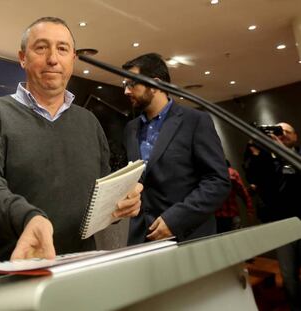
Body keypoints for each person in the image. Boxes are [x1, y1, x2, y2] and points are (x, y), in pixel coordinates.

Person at [0, 16, 142, 280]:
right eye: (41, 48)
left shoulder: (89, 122)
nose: (52, 59)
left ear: (73, 60)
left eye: (62, 48)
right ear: (23, 58)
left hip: (76, 273)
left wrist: (120, 204)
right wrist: (28, 218)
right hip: (10, 274)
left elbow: (98, 196)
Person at [121, 53, 230, 245]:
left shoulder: (195, 121)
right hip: (141, 240)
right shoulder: (131, 128)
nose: (126, 92)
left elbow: (217, 181)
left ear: (155, 85)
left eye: (132, 84)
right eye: (125, 85)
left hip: (187, 237)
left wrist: (176, 220)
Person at [243, 122, 301, 310]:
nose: (281, 134)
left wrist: (283, 150)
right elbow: (256, 178)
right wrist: (255, 148)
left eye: (285, 131)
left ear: (295, 136)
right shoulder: (268, 159)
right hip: (282, 222)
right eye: (277, 131)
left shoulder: (296, 154)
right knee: (288, 274)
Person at [215, 160, 254, 233]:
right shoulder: (233, 173)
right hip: (232, 213)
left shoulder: (212, 175)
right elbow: (243, 192)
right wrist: (250, 210)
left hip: (217, 217)